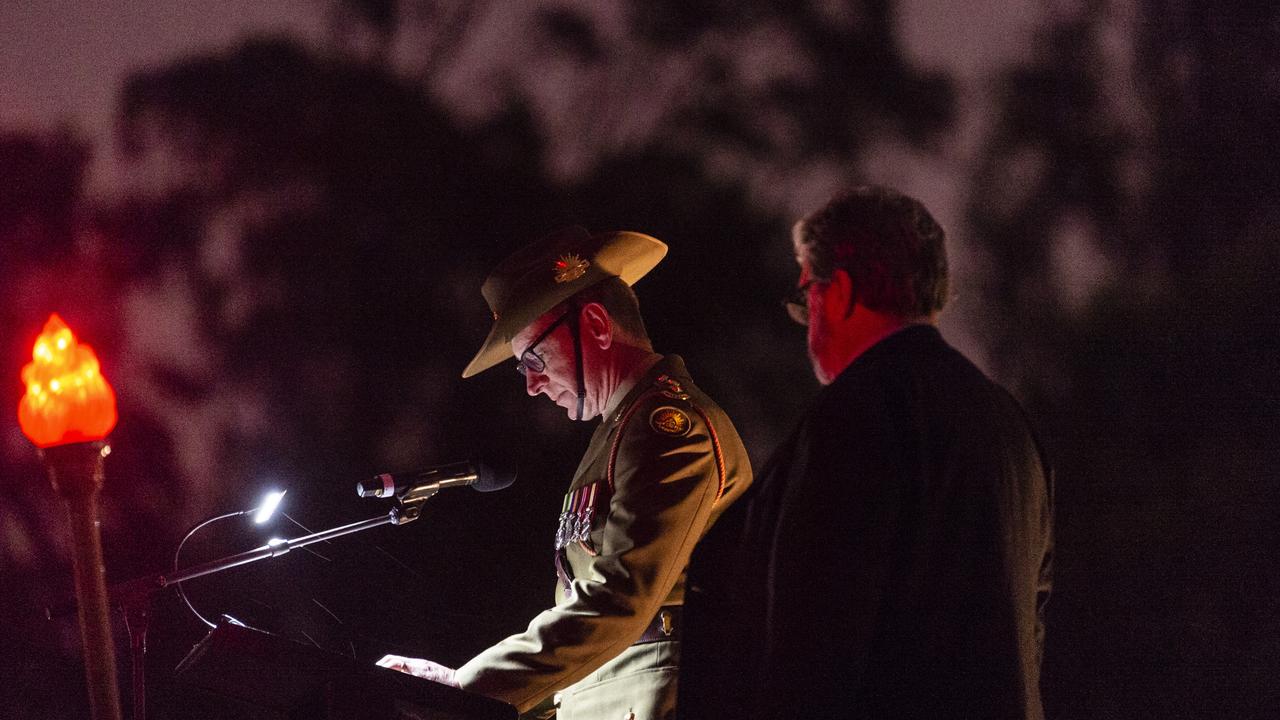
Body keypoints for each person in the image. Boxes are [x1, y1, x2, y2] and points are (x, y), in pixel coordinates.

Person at [679, 186, 1055, 719]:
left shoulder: (856, 416)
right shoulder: (1011, 425)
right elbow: (1030, 623)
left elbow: (815, 635)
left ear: (841, 292)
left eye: (806, 291)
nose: (805, 316)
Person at [378, 226, 752, 719]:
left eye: (534, 357)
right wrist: (458, 690)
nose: (532, 385)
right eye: (522, 368)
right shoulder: (620, 431)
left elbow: (620, 601)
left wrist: (462, 690)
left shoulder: (666, 427)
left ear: (596, 324)